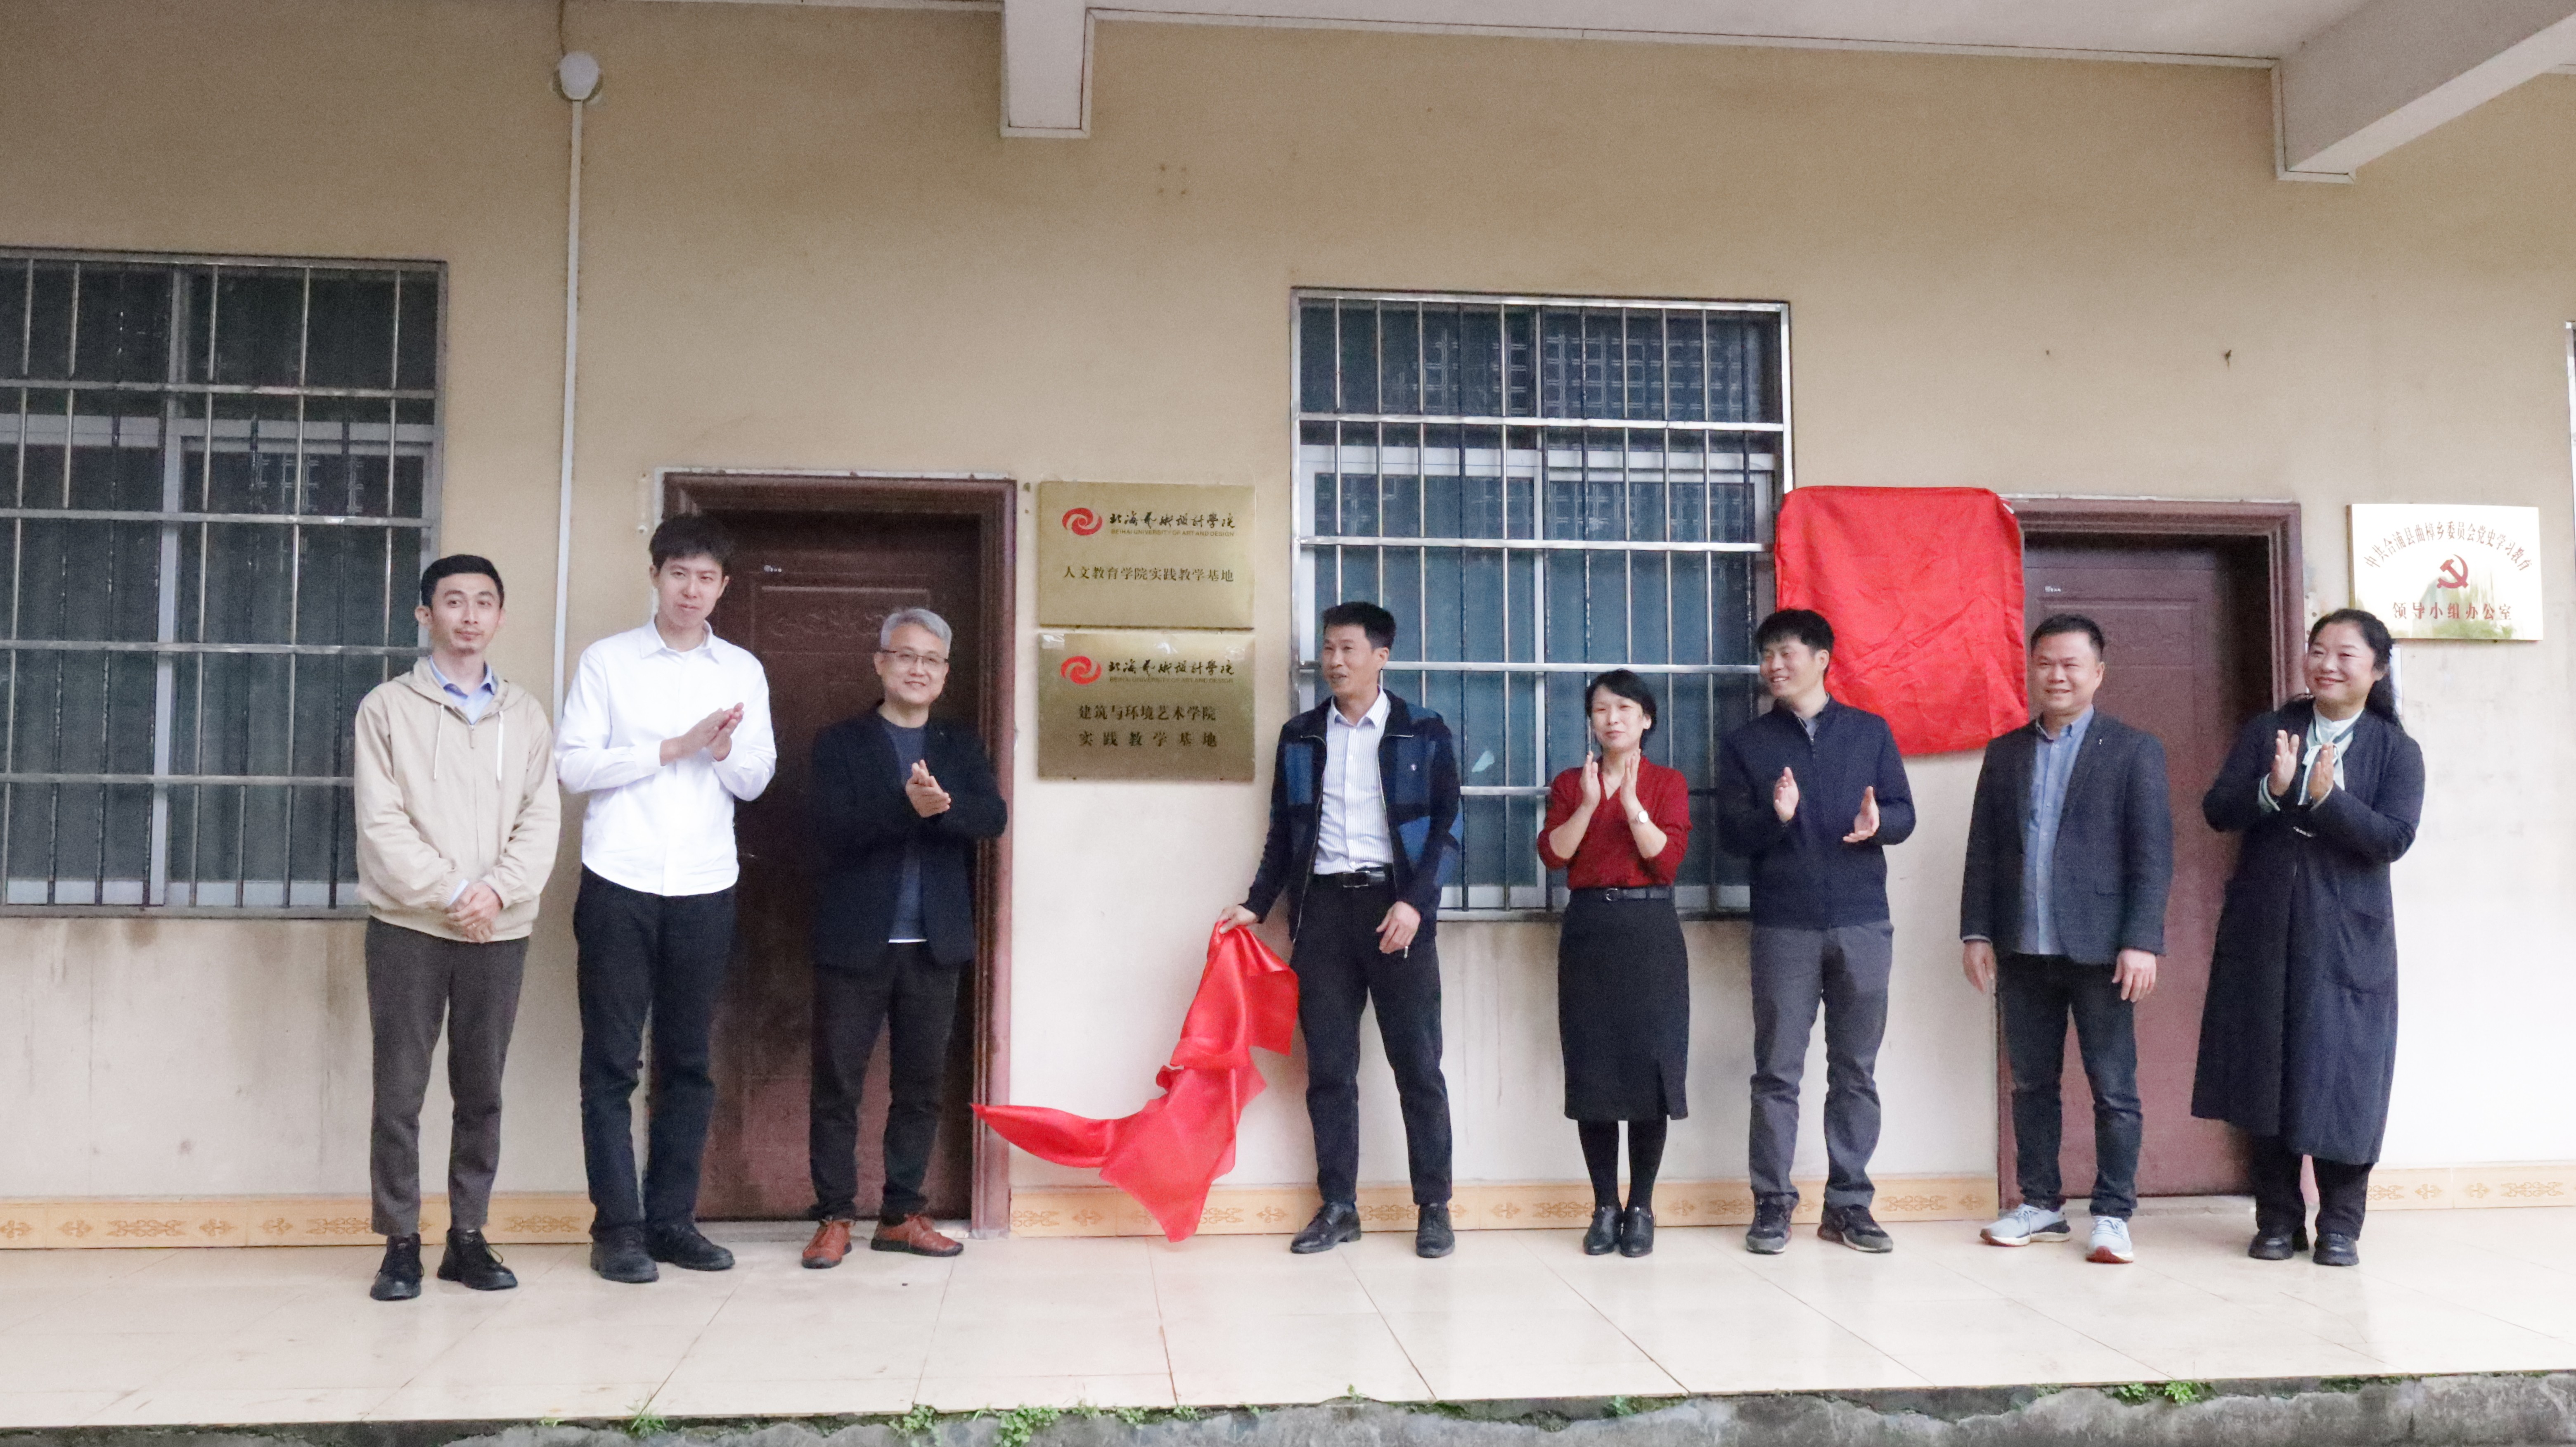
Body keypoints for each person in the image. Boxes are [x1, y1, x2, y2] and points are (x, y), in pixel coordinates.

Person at [556, 514, 777, 1283]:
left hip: (704, 885)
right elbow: (574, 767)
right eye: (679, 573)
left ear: (723, 586)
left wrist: (721, 751)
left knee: (689, 1063)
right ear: (655, 576)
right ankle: (617, 1229)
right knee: (611, 1064)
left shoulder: (742, 670)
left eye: (706, 577)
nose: (692, 590)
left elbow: (757, 778)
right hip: (618, 879)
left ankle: (672, 1221)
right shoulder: (608, 662)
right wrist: (672, 748)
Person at [1218, 601, 1462, 1259]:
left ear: (1382, 656)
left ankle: (1434, 1207)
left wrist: (1415, 904)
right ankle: (1338, 1207)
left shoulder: (1423, 731)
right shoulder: (1301, 736)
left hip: (1396, 909)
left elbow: (1448, 830)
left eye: (1348, 649)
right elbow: (1284, 831)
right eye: (1329, 648)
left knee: (1419, 1066)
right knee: (1329, 1069)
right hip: (1323, 913)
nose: (1334, 661)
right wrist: (1257, 904)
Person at [353, 555, 561, 1302]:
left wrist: (496, 892)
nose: (469, 615)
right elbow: (381, 822)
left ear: (500, 617)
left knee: (482, 1091)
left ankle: (467, 1236)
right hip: (409, 925)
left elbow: (542, 817)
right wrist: (451, 892)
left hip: (498, 930)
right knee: (400, 1091)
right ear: (425, 614)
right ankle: (400, 1241)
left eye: (484, 602)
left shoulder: (525, 715)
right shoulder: (387, 708)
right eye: (453, 601)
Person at [2193, 609, 2421, 1268]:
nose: (2327, 664)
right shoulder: (2271, 731)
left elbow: (2394, 839)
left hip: (2349, 943)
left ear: (2377, 669)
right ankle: (2276, 1220)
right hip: (2265, 933)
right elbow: (2218, 810)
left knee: (2343, 1076)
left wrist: (2328, 801)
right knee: (2265, 1073)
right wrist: (2272, 789)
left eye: (2345, 654)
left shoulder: (2396, 750)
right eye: (2318, 650)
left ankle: (2341, 1225)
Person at [1960, 615, 2173, 1265]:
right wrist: (1977, 931)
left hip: (2103, 950)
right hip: (2023, 946)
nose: (2057, 675)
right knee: (2031, 1083)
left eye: (2071, 664)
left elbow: (2152, 855)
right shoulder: (2005, 752)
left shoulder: (2133, 750)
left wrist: (2142, 940)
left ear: (2097, 674)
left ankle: (2112, 1214)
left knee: (2113, 1088)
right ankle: (2041, 1205)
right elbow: (1984, 850)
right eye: (2046, 663)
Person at [801, 607, 1007, 1267]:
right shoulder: (840, 742)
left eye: (932, 660)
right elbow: (829, 828)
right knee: (838, 1084)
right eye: (906, 655)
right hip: (855, 941)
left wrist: (940, 809)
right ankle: (834, 1216)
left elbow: (992, 817)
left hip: (935, 943)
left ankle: (901, 1214)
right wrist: (904, 808)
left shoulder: (959, 744)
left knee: (920, 1087)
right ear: (881, 663)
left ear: (944, 674)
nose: (919, 669)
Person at [1716, 608, 1915, 1256]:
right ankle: (1773, 1204)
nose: (1774, 665)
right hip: (1784, 925)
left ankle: (1849, 1205)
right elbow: (1731, 836)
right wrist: (1776, 819)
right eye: (1767, 654)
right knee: (1777, 1072)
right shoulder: (1747, 743)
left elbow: (1905, 813)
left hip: (1863, 921)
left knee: (1856, 1070)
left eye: (1787, 652)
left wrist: (1879, 824)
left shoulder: (1869, 732)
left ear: (1823, 658)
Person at [1537, 670, 1693, 1259]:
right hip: (1589, 932)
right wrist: (1589, 803)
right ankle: (1605, 1206)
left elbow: (1666, 863)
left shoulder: (1667, 783)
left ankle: (1642, 1207)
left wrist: (1630, 806)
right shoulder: (1569, 782)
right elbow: (1555, 854)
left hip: (1650, 932)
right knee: (1594, 1070)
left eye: (1625, 708)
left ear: (1646, 719)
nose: (1612, 719)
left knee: (1651, 1071)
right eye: (1601, 709)